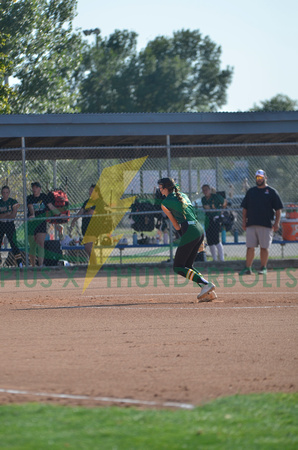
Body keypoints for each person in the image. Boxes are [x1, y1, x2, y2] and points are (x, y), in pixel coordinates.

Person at [158, 177, 216, 302]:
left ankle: (206, 284)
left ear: (167, 188)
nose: (160, 189)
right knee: (188, 265)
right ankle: (207, 291)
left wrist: (183, 236)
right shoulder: (183, 195)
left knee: (178, 267)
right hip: (198, 228)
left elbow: (175, 224)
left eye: (161, 187)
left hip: (190, 230)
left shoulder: (165, 203)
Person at [240, 169, 283, 275]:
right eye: (257, 178)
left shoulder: (272, 192)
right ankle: (247, 268)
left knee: (264, 247)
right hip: (251, 224)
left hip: (266, 224)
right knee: (250, 247)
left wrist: (277, 223)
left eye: (261, 177)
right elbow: (245, 208)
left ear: (265, 178)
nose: (259, 179)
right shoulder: (251, 191)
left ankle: (263, 268)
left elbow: (278, 209)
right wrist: (244, 222)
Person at [70, 184, 108, 266]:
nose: (90, 192)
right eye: (89, 191)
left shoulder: (99, 201)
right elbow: (81, 212)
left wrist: (84, 213)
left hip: (94, 228)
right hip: (86, 228)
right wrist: (73, 220)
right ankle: (94, 264)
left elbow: (91, 213)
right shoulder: (87, 202)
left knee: (88, 247)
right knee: (87, 247)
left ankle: (94, 264)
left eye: (92, 191)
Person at [27, 182, 60, 267]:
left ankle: (41, 265)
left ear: (40, 189)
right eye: (33, 188)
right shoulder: (29, 197)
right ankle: (33, 265)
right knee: (33, 245)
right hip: (31, 223)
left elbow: (51, 206)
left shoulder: (44, 197)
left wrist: (59, 214)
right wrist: (33, 214)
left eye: (36, 187)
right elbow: (30, 207)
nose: (34, 189)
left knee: (40, 244)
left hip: (41, 222)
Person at [201, 184, 227, 261]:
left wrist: (220, 210)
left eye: (206, 189)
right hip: (208, 220)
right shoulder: (203, 199)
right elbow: (207, 207)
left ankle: (221, 259)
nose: (205, 191)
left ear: (209, 190)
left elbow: (224, 202)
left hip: (215, 219)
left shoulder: (215, 196)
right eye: (203, 190)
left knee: (216, 240)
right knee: (210, 240)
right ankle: (214, 259)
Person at [0, 185, 23, 267]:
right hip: (1, 224)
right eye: (3, 192)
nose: (5, 194)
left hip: (9, 224)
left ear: (9, 193)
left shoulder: (13, 201)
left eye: (7, 192)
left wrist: (4, 215)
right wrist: (7, 214)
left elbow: (13, 216)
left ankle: (19, 262)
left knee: (13, 243)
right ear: (1, 193)